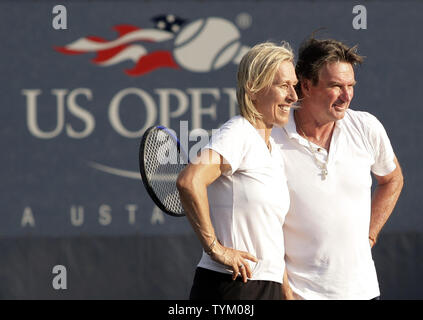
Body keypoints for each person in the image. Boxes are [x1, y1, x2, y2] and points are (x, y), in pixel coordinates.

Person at [271, 37, 404, 300]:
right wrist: (286, 290)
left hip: (363, 292)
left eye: (350, 86)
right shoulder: (270, 138)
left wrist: (369, 233)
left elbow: (392, 179)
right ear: (306, 86)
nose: (346, 96)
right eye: (336, 86)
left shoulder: (366, 127)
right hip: (299, 295)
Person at [176, 42, 298, 300]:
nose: (293, 96)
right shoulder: (238, 132)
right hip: (232, 287)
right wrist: (215, 249)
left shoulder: (274, 150)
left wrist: (285, 291)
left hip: (268, 286)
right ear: (253, 88)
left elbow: (268, 233)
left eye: (294, 85)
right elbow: (190, 181)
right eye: (283, 85)